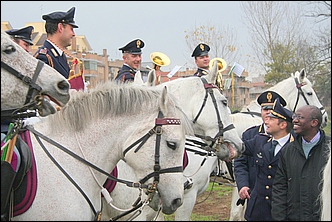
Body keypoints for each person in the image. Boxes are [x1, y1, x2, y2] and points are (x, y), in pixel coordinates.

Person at [272, 105, 331, 221]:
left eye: (300, 117)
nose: (294, 120)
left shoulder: (329, 149)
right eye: (295, 116)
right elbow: (280, 188)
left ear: (314, 122)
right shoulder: (288, 151)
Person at [241, 98, 294, 221]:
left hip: (282, 212)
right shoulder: (259, 141)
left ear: (283, 125)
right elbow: (238, 149)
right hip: (257, 211)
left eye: (272, 119)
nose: (267, 121)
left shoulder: (295, 148)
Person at [234, 91, 287, 208]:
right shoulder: (250, 134)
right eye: (265, 109)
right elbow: (240, 163)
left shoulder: (293, 137)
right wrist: (243, 185)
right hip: (255, 198)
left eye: (272, 109)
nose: (268, 112)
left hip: (283, 200)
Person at [33, 7, 84, 91]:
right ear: (60, 27)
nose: (73, 34)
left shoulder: (59, 55)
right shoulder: (44, 57)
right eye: (71, 29)